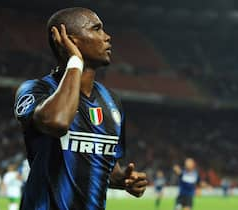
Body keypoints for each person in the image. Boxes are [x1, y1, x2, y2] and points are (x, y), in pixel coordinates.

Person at [14, 7, 148, 210]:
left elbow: (105, 166)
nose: (107, 37)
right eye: (97, 29)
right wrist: (75, 60)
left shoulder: (112, 101)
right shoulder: (36, 90)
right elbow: (57, 122)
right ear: (69, 39)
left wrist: (123, 180)